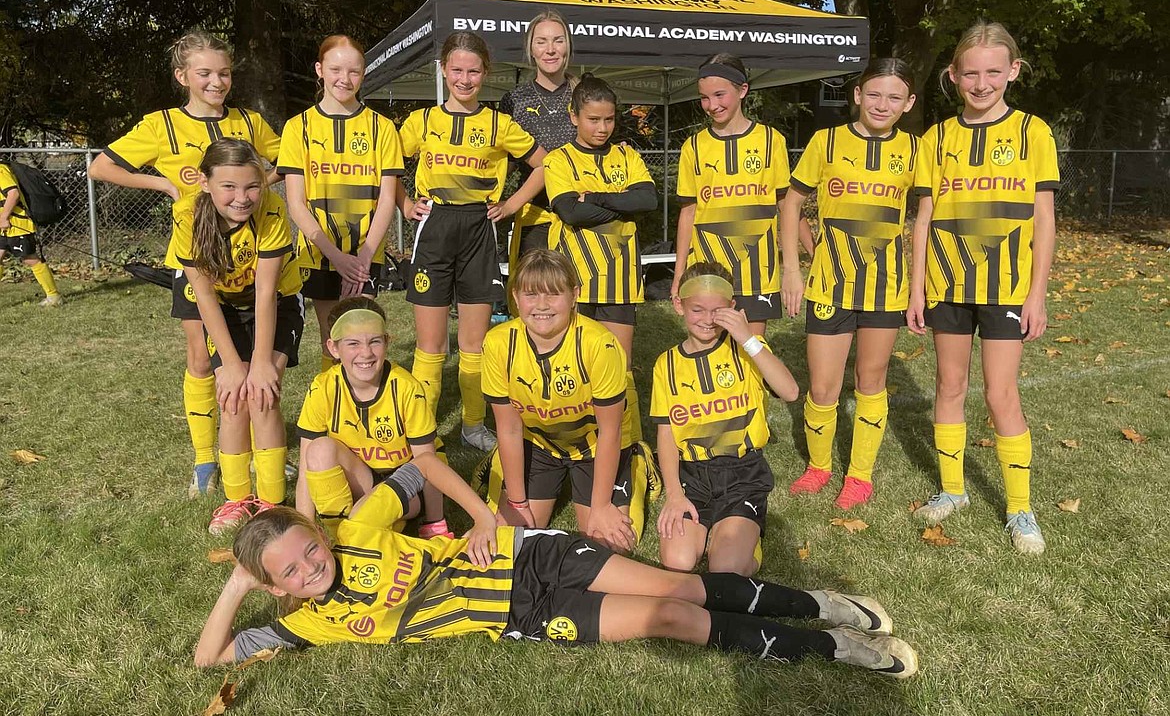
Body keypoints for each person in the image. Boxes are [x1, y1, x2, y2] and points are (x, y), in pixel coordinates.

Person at [195, 451, 918, 679]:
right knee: (670, 618)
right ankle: (831, 646)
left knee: (680, 583)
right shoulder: (316, 625)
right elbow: (211, 656)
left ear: (317, 530)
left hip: (532, 554)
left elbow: (420, 465)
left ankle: (815, 602)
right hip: (527, 615)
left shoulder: (359, 526)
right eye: (289, 572)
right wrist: (237, 583)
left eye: (307, 548)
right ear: (276, 586)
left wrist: (482, 516)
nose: (309, 568)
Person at [89, 30, 281, 497]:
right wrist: (166, 186)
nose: (217, 82)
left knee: (254, 352)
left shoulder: (249, 122)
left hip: (249, 254)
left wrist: (260, 184)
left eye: (224, 73)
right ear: (183, 77)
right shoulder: (161, 125)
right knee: (202, 357)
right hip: (194, 256)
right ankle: (204, 460)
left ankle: (259, 454)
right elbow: (100, 167)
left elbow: (286, 161)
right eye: (206, 73)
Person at [908, 22, 1060, 555]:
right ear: (953, 77)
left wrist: (1036, 294)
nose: (981, 82)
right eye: (970, 73)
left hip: (1007, 288)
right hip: (946, 285)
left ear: (1012, 72)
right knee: (949, 387)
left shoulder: (1032, 132)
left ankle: (1019, 506)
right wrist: (914, 290)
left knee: (1001, 394)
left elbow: (1044, 219)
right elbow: (923, 217)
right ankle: (953, 490)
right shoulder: (937, 138)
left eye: (993, 71)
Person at [780, 58, 920, 510]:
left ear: (908, 103)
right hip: (829, 285)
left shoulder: (917, 151)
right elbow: (792, 202)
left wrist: (919, 285)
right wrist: (793, 268)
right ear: (857, 95)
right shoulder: (827, 141)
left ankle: (859, 475)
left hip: (887, 288)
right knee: (823, 387)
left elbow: (928, 215)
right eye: (874, 94)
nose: (883, 104)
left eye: (894, 97)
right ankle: (819, 466)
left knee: (871, 380)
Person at [398, 31, 545, 451]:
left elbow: (545, 164)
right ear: (443, 71)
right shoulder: (421, 122)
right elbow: (385, 165)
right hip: (435, 226)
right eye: (457, 69)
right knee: (431, 345)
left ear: (486, 73)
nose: (465, 78)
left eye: (474, 71)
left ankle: (473, 425)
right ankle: (423, 431)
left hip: (479, 228)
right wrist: (405, 203)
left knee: (474, 344)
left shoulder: (499, 124)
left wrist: (513, 203)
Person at [173, 139, 303, 536]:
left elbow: (266, 292)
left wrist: (261, 363)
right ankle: (236, 498)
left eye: (251, 186)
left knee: (262, 395)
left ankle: (271, 500)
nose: (242, 197)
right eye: (229, 187)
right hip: (223, 309)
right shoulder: (186, 216)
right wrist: (231, 365)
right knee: (231, 397)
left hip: (277, 302)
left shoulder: (272, 209)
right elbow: (205, 296)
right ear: (206, 183)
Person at [484, 248, 638, 552]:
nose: (541, 305)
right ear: (515, 297)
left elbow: (611, 430)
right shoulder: (498, 343)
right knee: (509, 543)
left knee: (608, 544)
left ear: (574, 295)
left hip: (595, 445)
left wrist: (601, 505)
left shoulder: (600, 344)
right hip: (541, 445)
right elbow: (510, 429)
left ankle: (638, 465)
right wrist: (517, 502)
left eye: (553, 294)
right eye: (531, 294)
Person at [653, 263, 799, 575]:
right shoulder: (665, 365)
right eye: (697, 309)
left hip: (743, 474)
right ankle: (712, 533)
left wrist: (749, 338)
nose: (707, 320)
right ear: (679, 305)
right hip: (692, 475)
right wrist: (674, 495)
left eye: (717, 311)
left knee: (726, 569)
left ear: (732, 308)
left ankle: (744, 540)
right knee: (677, 563)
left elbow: (789, 391)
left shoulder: (746, 350)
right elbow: (666, 434)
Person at [277, 35, 403, 374]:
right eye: (335, 69)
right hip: (319, 254)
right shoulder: (297, 128)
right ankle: (333, 415)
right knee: (331, 340)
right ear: (319, 70)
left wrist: (362, 258)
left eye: (353, 71)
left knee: (360, 337)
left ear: (364, 74)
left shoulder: (383, 128)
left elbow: (387, 199)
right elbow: (296, 204)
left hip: (366, 255)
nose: (344, 79)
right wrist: (336, 258)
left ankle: (359, 416)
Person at [544, 74, 657, 446]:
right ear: (574, 116)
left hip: (620, 281)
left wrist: (596, 198)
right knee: (575, 365)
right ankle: (578, 442)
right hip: (574, 280)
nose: (603, 127)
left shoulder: (627, 154)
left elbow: (647, 202)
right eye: (594, 119)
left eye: (609, 119)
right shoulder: (559, 160)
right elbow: (570, 213)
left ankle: (630, 446)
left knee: (619, 369)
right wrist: (621, 203)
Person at [295, 297, 449, 541]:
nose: (365, 353)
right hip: (362, 477)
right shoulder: (323, 387)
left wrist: (435, 523)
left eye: (374, 341)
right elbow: (306, 467)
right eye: (353, 343)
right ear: (333, 348)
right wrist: (304, 528)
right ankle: (339, 531)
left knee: (362, 517)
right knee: (318, 450)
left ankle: (353, 534)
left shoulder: (407, 388)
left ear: (387, 342)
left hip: (406, 481)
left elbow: (427, 462)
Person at [671, 53, 795, 339]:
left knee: (752, 353)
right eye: (704, 97)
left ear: (742, 90)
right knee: (711, 351)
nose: (712, 105)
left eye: (719, 94)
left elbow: (786, 206)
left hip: (758, 273)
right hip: (708, 272)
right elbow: (688, 212)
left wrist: (792, 267)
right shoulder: (694, 147)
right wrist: (679, 273)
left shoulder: (771, 140)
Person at [498, 10, 577, 266]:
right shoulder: (514, 101)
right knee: (537, 297)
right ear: (531, 49)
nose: (550, 49)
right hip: (535, 217)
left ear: (568, 47)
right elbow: (503, 163)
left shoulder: (585, 94)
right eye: (541, 41)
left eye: (558, 40)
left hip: (582, 214)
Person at [0, 157, 61, 305]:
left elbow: (13, 194)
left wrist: (4, 217)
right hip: (5, 227)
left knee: (29, 259)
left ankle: (53, 296)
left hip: (17, 224)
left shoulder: (1, 170)